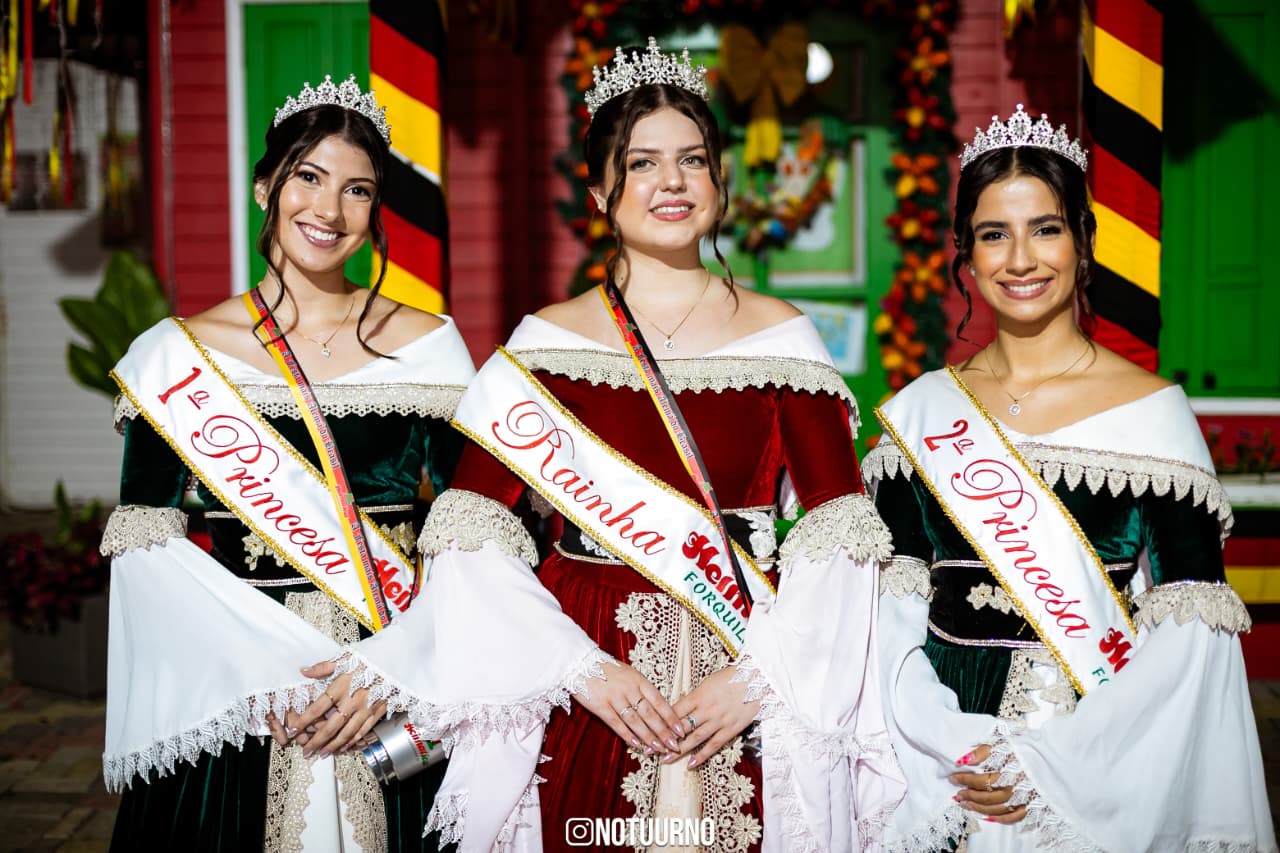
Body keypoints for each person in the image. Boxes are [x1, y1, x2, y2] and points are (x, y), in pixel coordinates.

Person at [285, 39, 904, 851]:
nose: (672, 182)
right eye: (642, 163)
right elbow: (471, 538)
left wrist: (759, 679)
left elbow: (842, 538)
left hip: (747, 662)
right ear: (601, 192)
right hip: (589, 671)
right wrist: (580, 668)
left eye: (692, 160)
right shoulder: (544, 347)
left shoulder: (784, 342)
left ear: (720, 181)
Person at [865, 104, 1275, 851]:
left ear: (1084, 242)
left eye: (1046, 228)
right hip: (941, 760)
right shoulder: (922, 416)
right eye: (994, 234)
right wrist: (948, 739)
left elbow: (1191, 644)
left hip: (1093, 759)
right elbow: (888, 615)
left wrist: (1051, 764)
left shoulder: (1153, 416)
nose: (1021, 259)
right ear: (965, 253)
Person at [101, 74, 475, 852]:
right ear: (264, 186)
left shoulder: (429, 347)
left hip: (392, 677)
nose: (328, 211)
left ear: (376, 211)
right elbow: (147, 550)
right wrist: (261, 674)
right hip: (246, 690)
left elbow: (472, 527)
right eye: (308, 177)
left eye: (357, 190)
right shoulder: (180, 357)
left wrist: (395, 664)